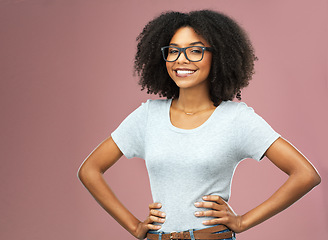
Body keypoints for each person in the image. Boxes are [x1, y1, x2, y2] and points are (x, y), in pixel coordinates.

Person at [77, 10, 321, 240]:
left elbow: (305, 174)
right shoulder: (148, 116)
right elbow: (90, 170)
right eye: (173, 51)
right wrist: (134, 226)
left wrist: (243, 221)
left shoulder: (236, 119)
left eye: (195, 51)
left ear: (219, 56)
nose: (181, 60)